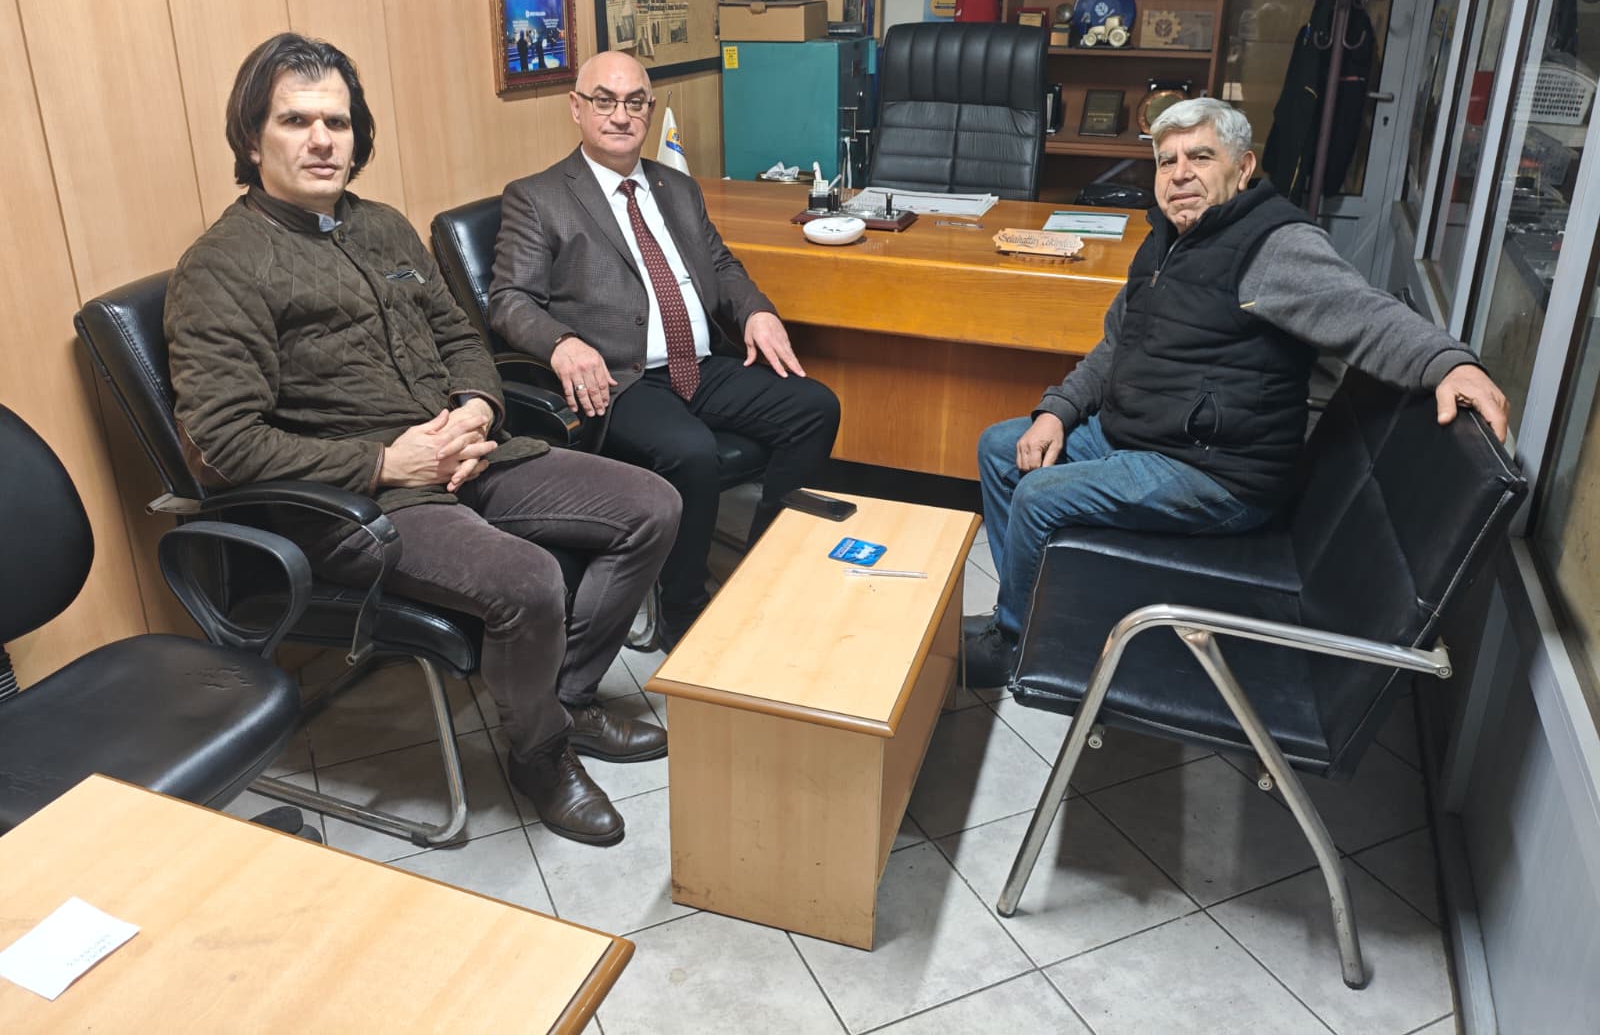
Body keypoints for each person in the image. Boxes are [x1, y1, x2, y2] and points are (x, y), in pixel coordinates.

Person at [165, 33, 681, 847]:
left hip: (465, 455)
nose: (321, 140)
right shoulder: (222, 268)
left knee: (651, 505)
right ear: (251, 139)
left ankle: (566, 702)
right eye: (296, 121)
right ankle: (541, 756)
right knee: (529, 580)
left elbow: (460, 337)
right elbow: (222, 445)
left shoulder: (383, 228)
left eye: (337, 121)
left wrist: (476, 408)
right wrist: (383, 462)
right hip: (359, 506)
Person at [965, 97, 1510, 688]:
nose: (1180, 174)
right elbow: (1116, 345)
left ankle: (1016, 644)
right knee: (1003, 448)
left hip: (1213, 473)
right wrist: (1058, 411)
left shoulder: (1272, 247)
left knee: (1039, 494)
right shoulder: (1165, 240)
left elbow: (1364, 314)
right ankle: (1034, 611)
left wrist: (1448, 363)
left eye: (1200, 157)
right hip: (1144, 437)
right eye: (1167, 161)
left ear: (1243, 167)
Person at [491, 51, 841, 648]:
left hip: (700, 365)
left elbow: (722, 266)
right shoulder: (537, 197)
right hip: (622, 379)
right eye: (604, 100)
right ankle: (684, 612)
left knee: (814, 406)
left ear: (649, 110)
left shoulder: (675, 186)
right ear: (576, 107)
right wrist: (561, 343)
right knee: (690, 451)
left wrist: (756, 311)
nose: (620, 115)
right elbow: (509, 300)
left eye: (634, 102)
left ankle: (766, 567)